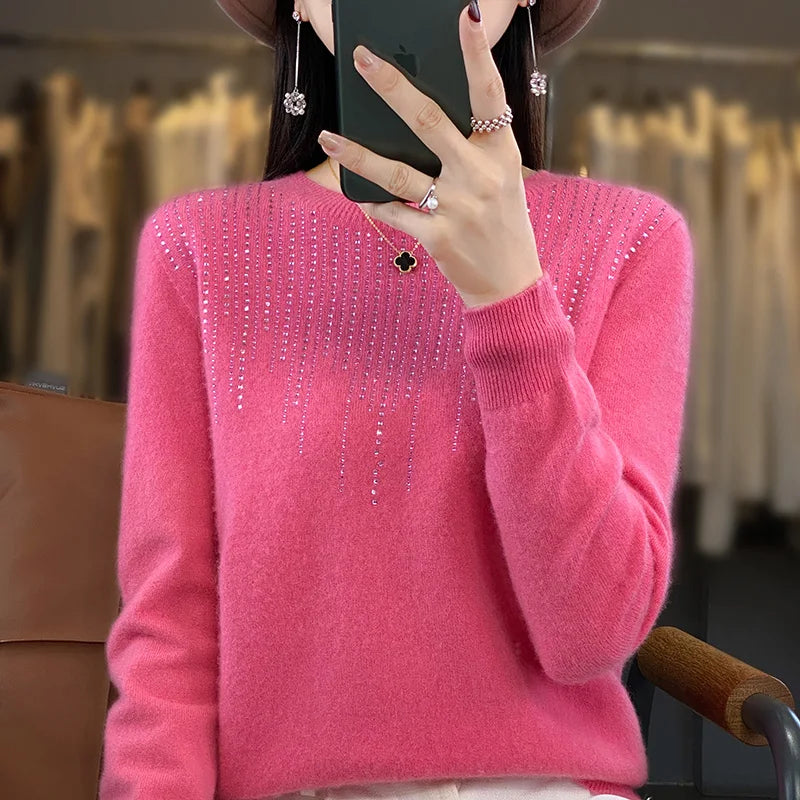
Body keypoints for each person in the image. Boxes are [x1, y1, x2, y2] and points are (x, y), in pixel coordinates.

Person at [98, 0, 694, 799]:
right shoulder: (197, 251)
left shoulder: (633, 240)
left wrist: (511, 298)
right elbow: (169, 623)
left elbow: (593, 634)